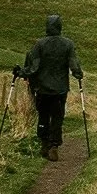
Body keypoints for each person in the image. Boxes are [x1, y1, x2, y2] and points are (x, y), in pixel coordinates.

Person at [14, 14, 83, 161]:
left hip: (42, 88)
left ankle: (44, 143)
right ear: (60, 27)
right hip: (60, 89)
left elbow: (33, 68)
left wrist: (20, 72)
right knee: (57, 117)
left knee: (43, 115)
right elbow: (73, 64)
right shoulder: (68, 44)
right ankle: (54, 145)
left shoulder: (40, 44)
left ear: (47, 26)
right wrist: (78, 74)